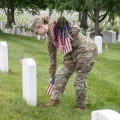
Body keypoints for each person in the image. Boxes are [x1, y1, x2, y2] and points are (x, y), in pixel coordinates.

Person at [29, 15, 98, 111]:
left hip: (86, 50)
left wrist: (65, 28)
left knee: (78, 78)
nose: (36, 34)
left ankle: (81, 106)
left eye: (36, 32)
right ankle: (54, 101)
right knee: (60, 74)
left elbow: (76, 29)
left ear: (40, 26)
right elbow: (52, 57)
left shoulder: (58, 26)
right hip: (71, 53)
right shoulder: (49, 38)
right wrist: (51, 75)